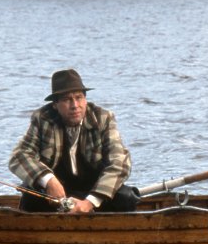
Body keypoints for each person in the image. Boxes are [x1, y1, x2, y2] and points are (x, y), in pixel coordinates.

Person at [9, 69, 138, 213]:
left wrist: (90, 202)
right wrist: (48, 180)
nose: (75, 105)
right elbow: (18, 156)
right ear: (55, 105)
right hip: (57, 194)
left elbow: (120, 163)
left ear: (85, 100)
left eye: (79, 97)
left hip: (95, 192)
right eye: (67, 99)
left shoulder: (103, 118)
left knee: (126, 197)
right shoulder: (42, 119)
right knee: (29, 194)